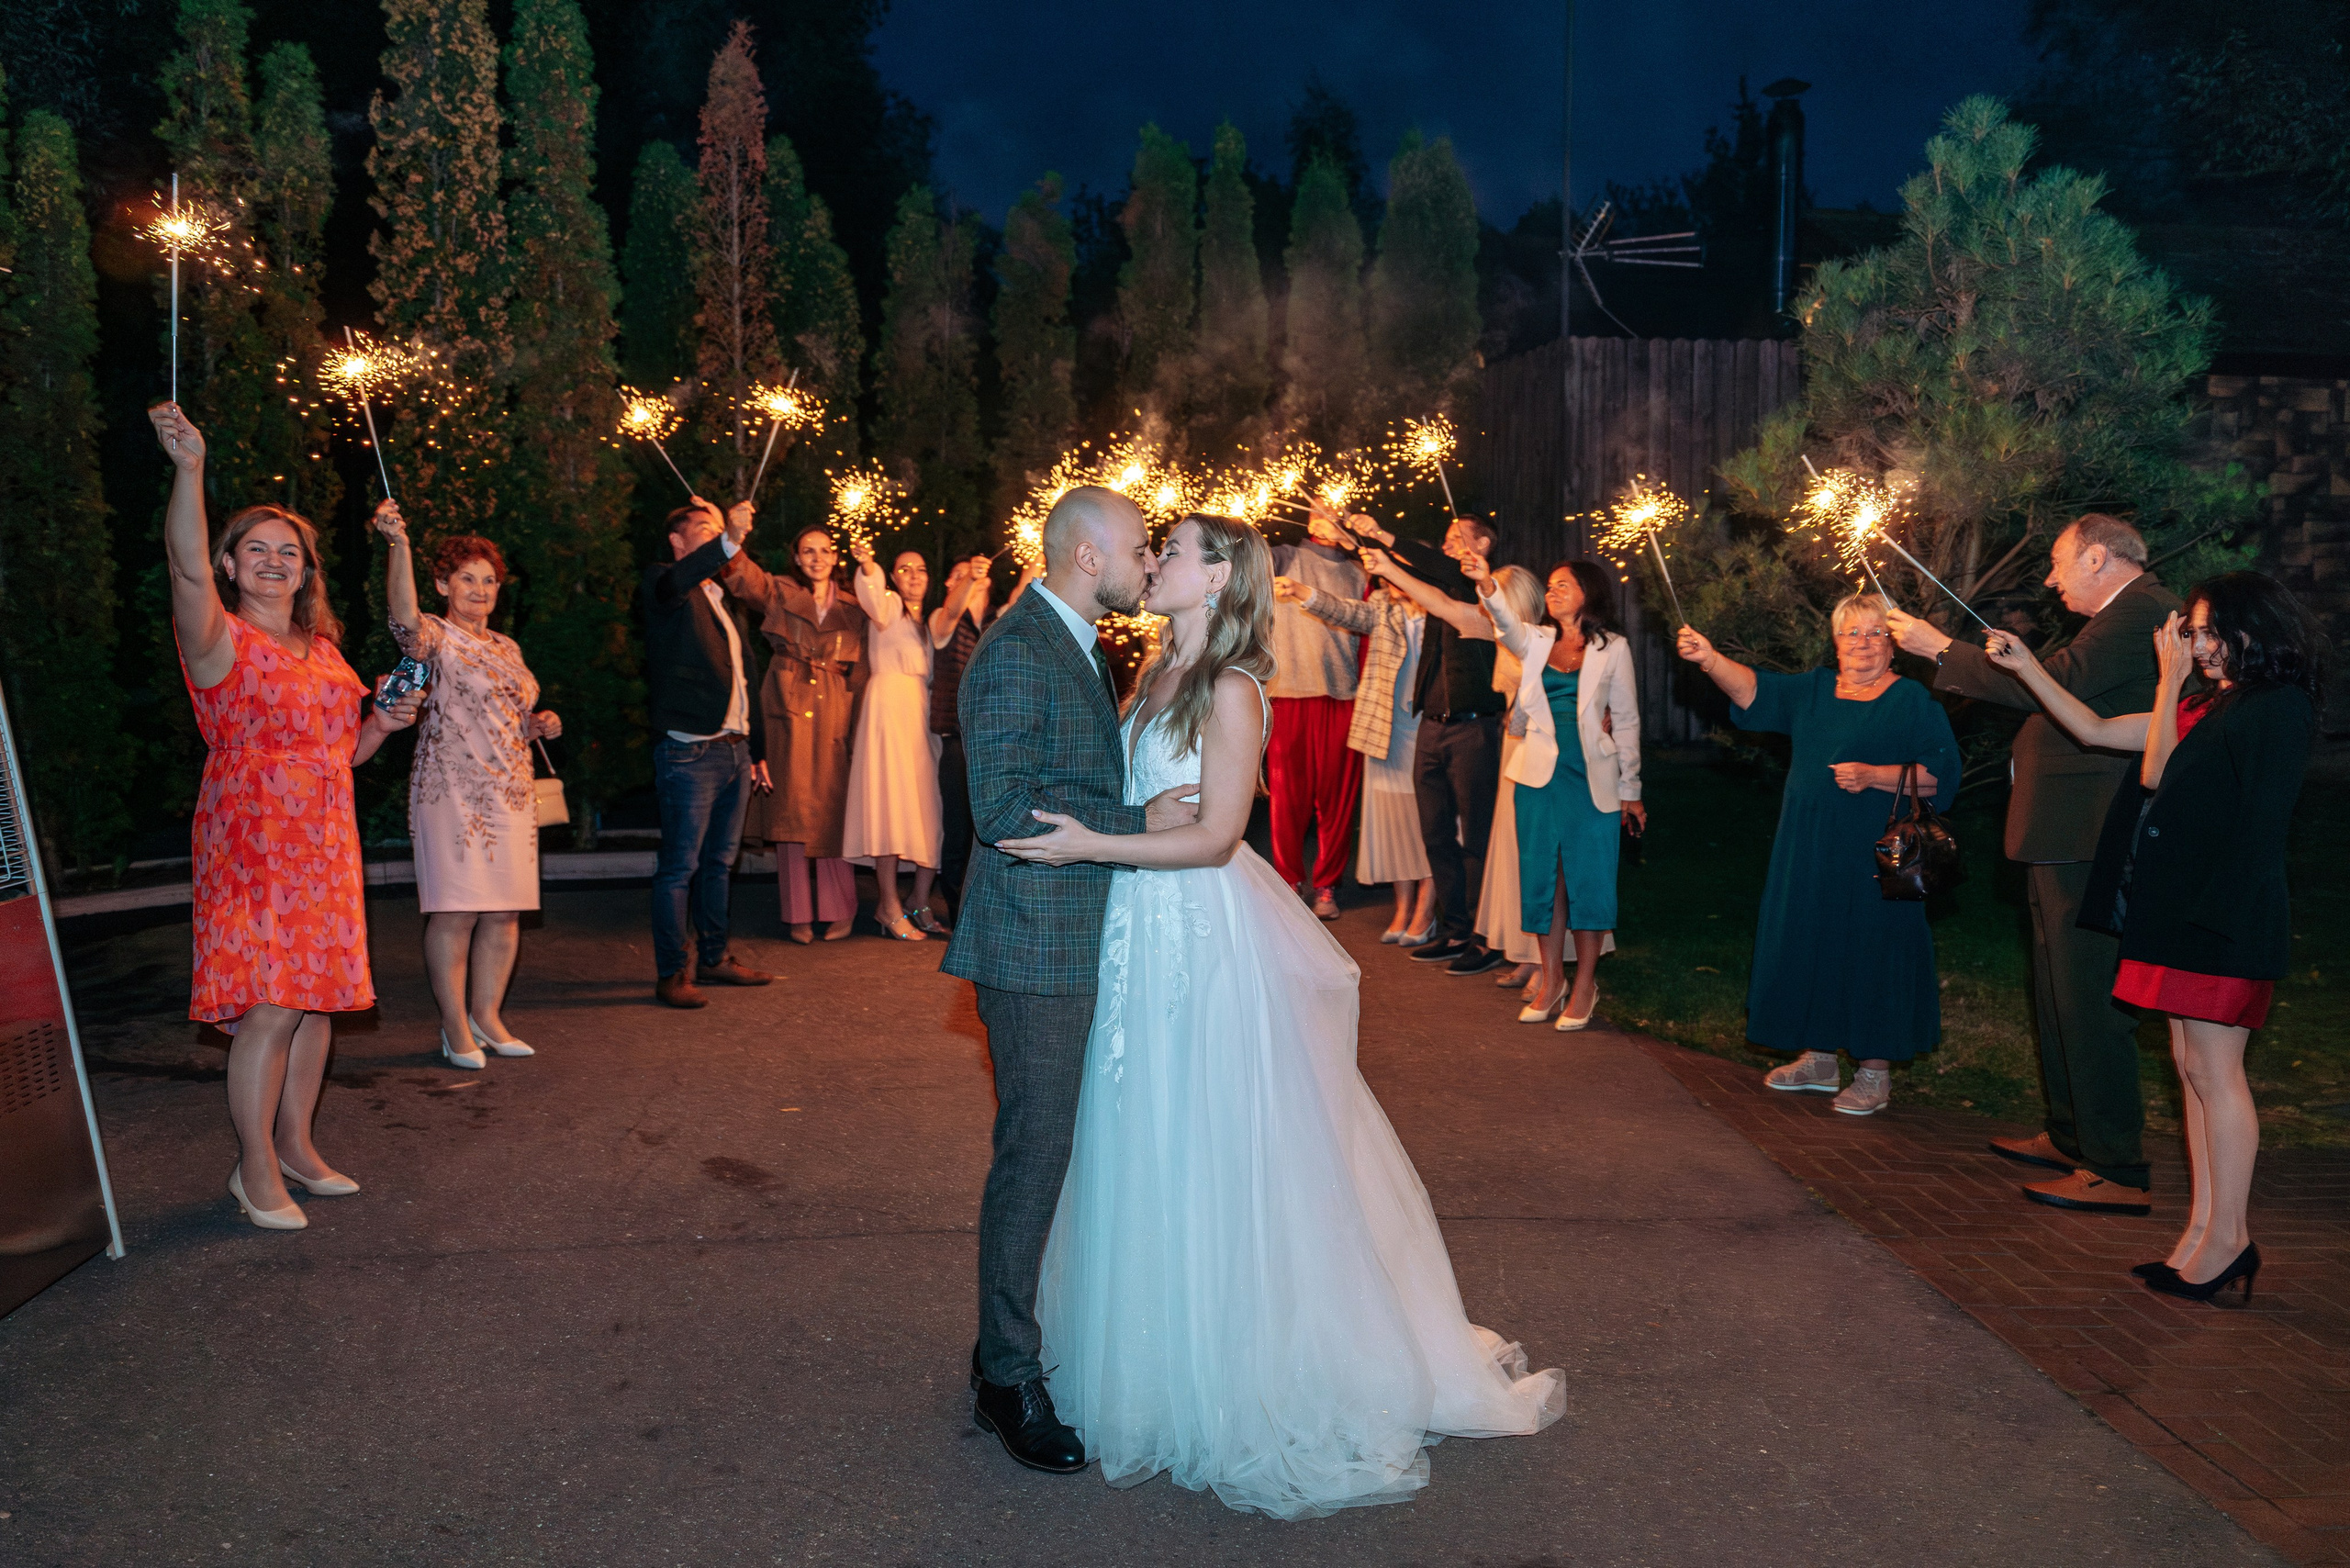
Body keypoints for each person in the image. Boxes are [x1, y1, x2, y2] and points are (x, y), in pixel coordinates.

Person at [998, 512, 1564, 1518]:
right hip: (1133, 938)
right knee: (1134, 1137)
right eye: (1152, 548)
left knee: (1208, 1146)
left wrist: (1090, 843)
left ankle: (1237, 1371)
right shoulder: (1152, 672)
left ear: (1219, 577)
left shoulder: (1231, 685)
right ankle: (1148, 1358)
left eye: (1171, 551)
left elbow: (1217, 836)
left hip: (1195, 937)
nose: (1153, 562)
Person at [940, 486, 1200, 1476]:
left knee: (1062, 1152)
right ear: (1087, 557)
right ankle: (1005, 1375)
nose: (1148, 563)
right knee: (1035, 1157)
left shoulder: (1079, 643)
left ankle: (1013, 1353)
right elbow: (1003, 810)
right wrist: (1141, 822)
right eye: (1138, 548)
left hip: (1081, 933)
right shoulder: (1017, 649)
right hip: (1032, 946)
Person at [1984, 573, 2321, 1301]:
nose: (2197, 646)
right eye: (2192, 633)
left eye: (2208, 631)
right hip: (2174, 915)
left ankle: (2229, 1241)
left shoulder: (2277, 706)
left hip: (2221, 918)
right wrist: (2028, 667)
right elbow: (2093, 730)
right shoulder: (2210, 706)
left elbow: (2162, 776)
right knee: (2191, 1069)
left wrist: (2168, 682)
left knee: (2217, 1074)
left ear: (2251, 628)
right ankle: (2202, 1233)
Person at [151, 403, 421, 1231]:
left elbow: (342, 753)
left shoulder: (326, 651)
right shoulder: (218, 639)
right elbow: (183, 569)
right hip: (253, 835)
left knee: (313, 1001)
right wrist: (190, 469)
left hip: (326, 838)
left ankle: (297, 1146)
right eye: (257, 550)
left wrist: (383, 724)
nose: (274, 562)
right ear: (231, 564)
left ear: (306, 573)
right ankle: (254, 1165)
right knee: (271, 1003)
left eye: (289, 553)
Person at [1887, 514, 2179, 1209]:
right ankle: (2072, 1136)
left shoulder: (2141, 610)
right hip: (2062, 834)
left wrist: (1940, 649)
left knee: (2087, 995)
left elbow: (2046, 684)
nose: (2049, 580)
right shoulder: (2117, 615)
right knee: (2055, 992)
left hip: (2093, 835)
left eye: (2058, 562)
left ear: (2098, 558)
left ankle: (2116, 1165)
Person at [1678, 594, 1961, 1115]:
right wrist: (1710, 658)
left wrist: (1874, 776)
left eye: (1875, 633)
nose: (1863, 643)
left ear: (1893, 645)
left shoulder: (1911, 700)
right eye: (1852, 633)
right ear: (1835, 642)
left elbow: (1941, 776)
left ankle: (1874, 1073)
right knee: (1810, 937)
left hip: (1876, 856)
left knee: (1874, 947)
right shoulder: (1813, 690)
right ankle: (1820, 1059)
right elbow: (1753, 690)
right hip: (1808, 846)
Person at [375, 504, 560, 1068]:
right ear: (443, 584)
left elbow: (508, 717)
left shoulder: (507, 647)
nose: (480, 590)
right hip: (451, 794)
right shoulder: (437, 637)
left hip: (511, 794)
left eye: (489, 581)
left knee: (504, 913)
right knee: (455, 912)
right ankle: (455, 1026)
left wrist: (537, 724)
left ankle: (488, 1016)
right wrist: (399, 546)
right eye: (466, 579)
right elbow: (403, 617)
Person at [1469, 555, 1645, 1030]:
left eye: (1563, 585)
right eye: (1549, 585)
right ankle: (1551, 982)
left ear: (1589, 592)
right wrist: (1487, 584)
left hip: (1592, 779)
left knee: (1589, 880)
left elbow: (1626, 720)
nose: (1553, 592)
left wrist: (1631, 789)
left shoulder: (1614, 648)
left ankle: (1584, 985)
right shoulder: (1536, 639)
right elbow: (1505, 624)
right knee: (1543, 880)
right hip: (1539, 778)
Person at [1340, 509, 1505, 975]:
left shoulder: (1486, 591)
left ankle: (1484, 935)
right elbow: (1416, 573)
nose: (1448, 544)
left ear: (1483, 546)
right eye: (1446, 537)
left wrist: (1385, 536)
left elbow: (1431, 568)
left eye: (1458, 537)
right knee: (1434, 832)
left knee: (1475, 835)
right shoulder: (1442, 582)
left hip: (1474, 727)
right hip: (1432, 725)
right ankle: (1454, 928)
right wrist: (1372, 547)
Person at [640, 498, 777, 1010]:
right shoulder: (663, 582)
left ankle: (714, 958)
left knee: (720, 864)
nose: (716, 534)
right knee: (680, 867)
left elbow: (745, 680)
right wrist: (729, 538)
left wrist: (756, 750)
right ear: (677, 542)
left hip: (734, 753)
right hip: (689, 752)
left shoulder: (722, 596)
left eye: (718, 528)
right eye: (704, 528)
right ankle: (672, 971)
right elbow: (677, 581)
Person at [721, 523, 867, 942]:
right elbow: (746, 581)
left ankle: (840, 909)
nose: (817, 558)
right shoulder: (781, 592)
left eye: (824, 550)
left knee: (833, 809)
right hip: (786, 699)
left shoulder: (855, 605)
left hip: (835, 703)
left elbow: (866, 666)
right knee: (790, 808)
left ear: (835, 557)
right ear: (798, 559)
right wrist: (732, 538)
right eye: (808, 551)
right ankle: (797, 913)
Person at [1273, 572, 1434, 943]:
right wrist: (1300, 590)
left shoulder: (1439, 609)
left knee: (1431, 820)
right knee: (1395, 822)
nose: (1390, 577)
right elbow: (1344, 612)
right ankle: (1403, 907)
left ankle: (1426, 910)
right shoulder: (1381, 606)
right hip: (1388, 728)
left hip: (1430, 725)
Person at [1266, 507, 1368, 918]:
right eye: (1319, 510)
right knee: (1286, 798)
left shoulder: (1361, 571)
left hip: (1343, 695)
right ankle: (1288, 881)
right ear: (1308, 519)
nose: (1326, 516)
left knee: (1337, 800)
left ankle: (1327, 886)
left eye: (1336, 511)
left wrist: (1355, 544)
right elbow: (1243, 559)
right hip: (1288, 692)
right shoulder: (1285, 556)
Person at [841, 542, 944, 940]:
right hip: (887, 711)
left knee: (927, 809)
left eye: (920, 569)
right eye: (904, 569)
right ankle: (887, 904)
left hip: (922, 715)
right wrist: (868, 564)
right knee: (889, 806)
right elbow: (870, 591)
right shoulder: (887, 607)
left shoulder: (929, 623)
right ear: (893, 578)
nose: (913, 576)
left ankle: (919, 900)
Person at [927, 551, 997, 929]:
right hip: (957, 741)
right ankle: (958, 916)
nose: (970, 576)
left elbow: (1025, 591)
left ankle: (987, 912)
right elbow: (954, 610)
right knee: (957, 831)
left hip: (993, 743)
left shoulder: (997, 621)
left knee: (989, 830)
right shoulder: (942, 620)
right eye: (960, 574)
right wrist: (970, 576)